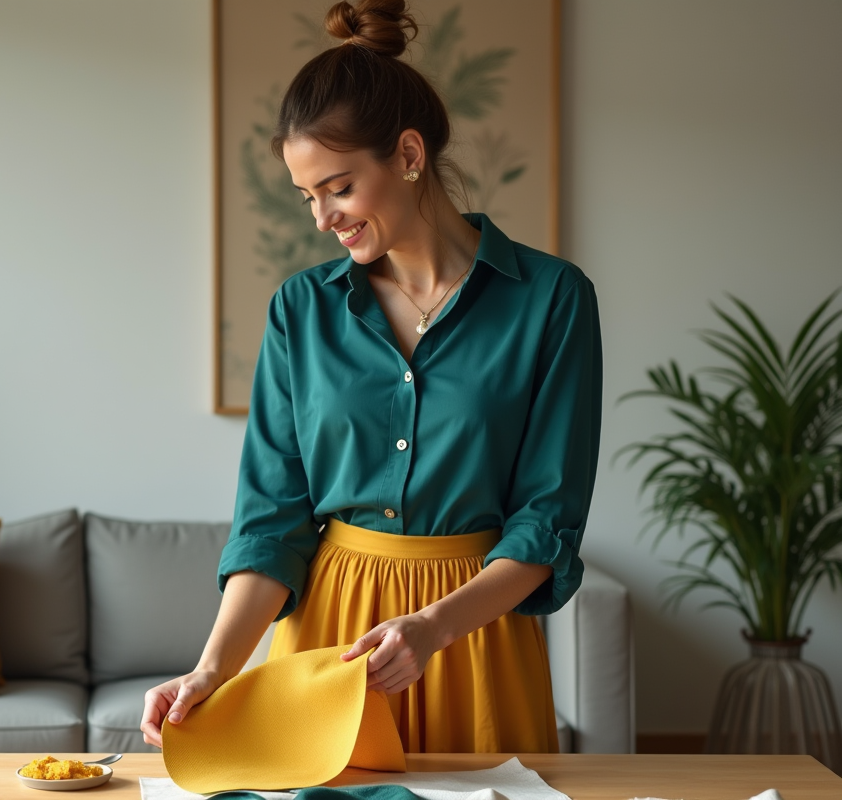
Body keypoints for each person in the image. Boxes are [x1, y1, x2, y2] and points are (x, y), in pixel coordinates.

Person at [141, 0, 602, 754]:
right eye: (307, 196)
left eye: (339, 187)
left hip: (473, 637)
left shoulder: (553, 300)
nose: (321, 218)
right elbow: (272, 523)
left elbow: (547, 522)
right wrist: (211, 669)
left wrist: (434, 628)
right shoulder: (300, 310)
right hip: (329, 646)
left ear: (409, 155)